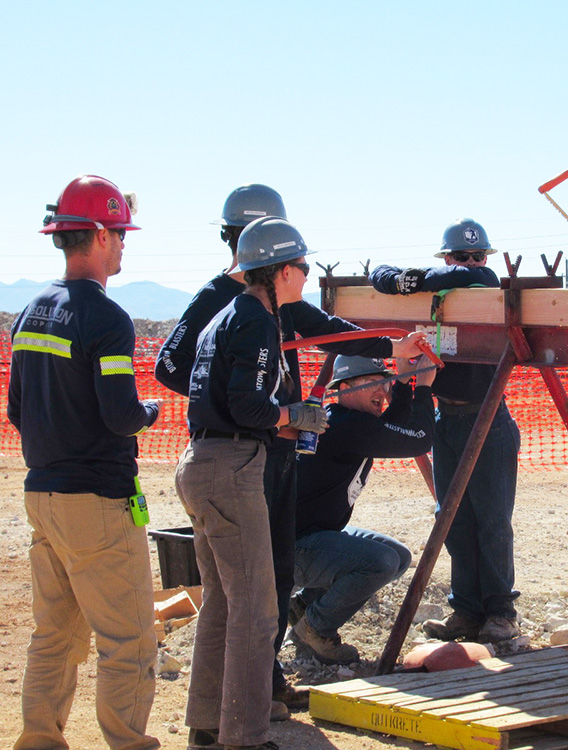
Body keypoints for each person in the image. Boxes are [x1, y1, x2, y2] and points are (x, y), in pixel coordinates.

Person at [156, 184, 425, 711]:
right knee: (253, 591)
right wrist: (238, 406)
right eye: (298, 263)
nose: (302, 272)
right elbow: (170, 365)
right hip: (244, 449)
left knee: (272, 570)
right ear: (274, 260)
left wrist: (389, 347)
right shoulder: (227, 301)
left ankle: (258, 685)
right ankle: (250, 701)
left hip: (272, 450)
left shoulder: (275, 304)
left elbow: (325, 330)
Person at [9, 175, 161, 750]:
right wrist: (149, 410)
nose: (123, 244)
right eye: (119, 233)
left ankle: (39, 740)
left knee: (55, 636)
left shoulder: (31, 312)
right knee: (130, 642)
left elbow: (19, 408)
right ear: (97, 234)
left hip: (43, 496)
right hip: (98, 502)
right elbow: (121, 415)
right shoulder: (107, 318)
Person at [174, 216, 330, 750]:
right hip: (233, 468)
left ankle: (208, 722)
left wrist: (287, 416)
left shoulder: (226, 315)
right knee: (259, 608)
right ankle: (244, 735)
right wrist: (297, 414)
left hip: (202, 462)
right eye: (304, 267)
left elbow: (229, 401)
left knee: (222, 601)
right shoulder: (259, 321)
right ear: (282, 270)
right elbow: (247, 404)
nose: (306, 276)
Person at [369, 218, 522, 644]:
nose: (472, 265)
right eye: (462, 256)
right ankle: (468, 611)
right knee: (453, 518)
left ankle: (500, 611)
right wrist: (401, 280)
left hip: (489, 418)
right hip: (447, 419)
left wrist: (409, 279)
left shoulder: (485, 283)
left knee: (492, 521)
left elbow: (472, 277)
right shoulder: (436, 295)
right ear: (448, 256)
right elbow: (377, 278)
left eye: (478, 256)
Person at [289, 354, 436, 662]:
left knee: (397, 557)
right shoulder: (346, 426)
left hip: (308, 536)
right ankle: (316, 629)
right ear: (344, 387)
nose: (383, 393)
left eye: (384, 385)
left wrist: (405, 382)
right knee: (379, 562)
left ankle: (303, 608)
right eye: (374, 384)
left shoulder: (344, 419)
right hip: (294, 548)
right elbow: (418, 439)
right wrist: (423, 387)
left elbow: (392, 427)